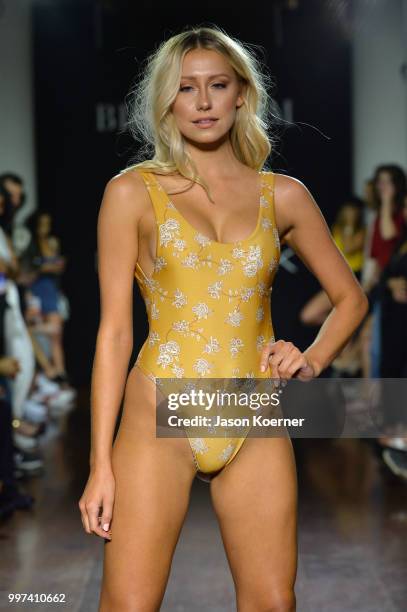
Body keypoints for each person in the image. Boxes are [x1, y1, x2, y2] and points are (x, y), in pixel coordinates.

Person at [79, 26, 368, 611]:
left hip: (250, 411)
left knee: (272, 604)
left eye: (218, 85)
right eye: (186, 88)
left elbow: (351, 299)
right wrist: (99, 465)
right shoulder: (131, 193)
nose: (204, 102)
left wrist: (310, 358)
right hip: (159, 414)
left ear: (243, 95)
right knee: (128, 606)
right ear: (166, 100)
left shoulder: (282, 195)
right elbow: (113, 332)